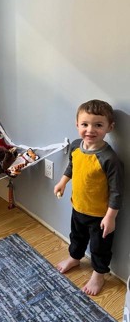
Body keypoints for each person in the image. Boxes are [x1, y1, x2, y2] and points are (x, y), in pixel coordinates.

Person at [54, 99, 124, 296]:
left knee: (99, 247)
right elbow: (72, 167)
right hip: (78, 207)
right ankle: (74, 257)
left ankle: (99, 274)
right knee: (76, 236)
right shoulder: (76, 146)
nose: (90, 130)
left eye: (98, 125)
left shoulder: (110, 159)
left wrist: (110, 217)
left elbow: (117, 191)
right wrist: (62, 182)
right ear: (77, 125)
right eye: (84, 124)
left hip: (100, 215)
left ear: (110, 127)